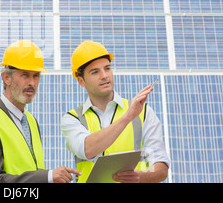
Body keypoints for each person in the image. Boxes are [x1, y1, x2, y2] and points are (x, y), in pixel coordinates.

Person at [0, 40, 80, 183]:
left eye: (36, 75)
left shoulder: (31, 122)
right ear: (6, 77)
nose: (31, 83)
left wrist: (55, 177)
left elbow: (27, 171)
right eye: (25, 75)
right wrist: (48, 177)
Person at [61, 40, 170, 183]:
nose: (104, 75)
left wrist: (141, 177)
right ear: (81, 81)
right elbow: (87, 148)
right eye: (95, 72)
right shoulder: (73, 119)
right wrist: (127, 117)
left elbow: (161, 168)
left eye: (107, 68)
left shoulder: (144, 112)